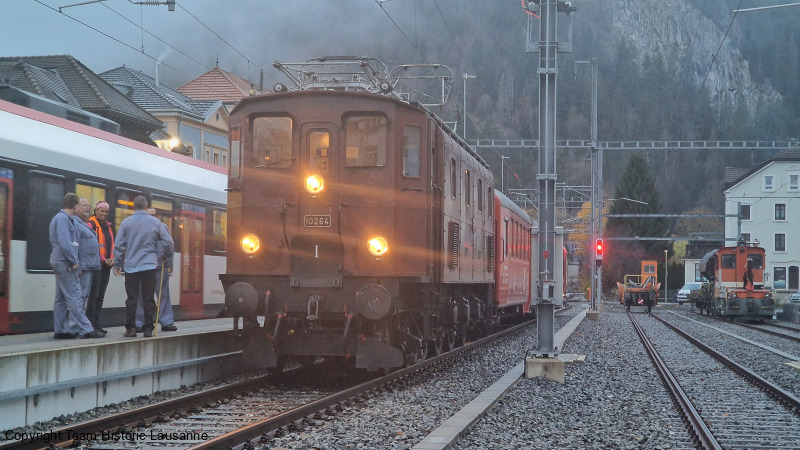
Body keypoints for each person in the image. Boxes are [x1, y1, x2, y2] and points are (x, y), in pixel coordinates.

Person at [114, 195, 173, 337]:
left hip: (131, 265)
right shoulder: (156, 222)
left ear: (133, 206)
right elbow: (169, 242)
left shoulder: (126, 222)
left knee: (132, 298)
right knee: (148, 297)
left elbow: (118, 245)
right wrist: (164, 255)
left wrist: (118, 264)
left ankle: (131, 328)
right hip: (149, 265)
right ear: (146, 207)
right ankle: (148, 328)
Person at [49, 193, 104, 339]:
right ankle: (86, 329)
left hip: (60, 260)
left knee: (61, 297)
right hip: (65, 262)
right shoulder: (63, 219)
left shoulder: (61, 218)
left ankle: (61, 330)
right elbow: (65, 243)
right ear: (75, 206)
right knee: (74, 295)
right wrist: (74, 261)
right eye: (80, 205)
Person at [135, 208, 177, 332]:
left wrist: (168, 262)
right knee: (142, 295)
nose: (152, 217)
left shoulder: (162, 227)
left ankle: (166, 322)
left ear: (157, 216)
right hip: (144, 267)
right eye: (149, 215)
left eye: (153, 215)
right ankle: (139, 323)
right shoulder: (140, 228)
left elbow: (170, 245)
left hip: (159, 267)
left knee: (163, 295)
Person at [68, 197, 104, 337]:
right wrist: (76, 264)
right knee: (80, 297)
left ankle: (79, 326)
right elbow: (74, 245)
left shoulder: (83, 223)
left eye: (89, 205)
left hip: (88, 266)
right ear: (76, 207)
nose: (88, 208)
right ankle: (75, 327)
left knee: (83, 296)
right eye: (84, 205)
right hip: (82, 266)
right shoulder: (76, 223)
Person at [86, 201, 114, 333]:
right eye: (101, 211)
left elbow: (111, 246)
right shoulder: (91, 225)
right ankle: (90, 324)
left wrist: (112, 259)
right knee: (94, 295)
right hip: (96, 266)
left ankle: (96, 323)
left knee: (100, 296)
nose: (104, 214)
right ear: (95, 211)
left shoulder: (107, 227)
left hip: (106, 266)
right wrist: (104, 259)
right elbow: (92, 247)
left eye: (106, 211)